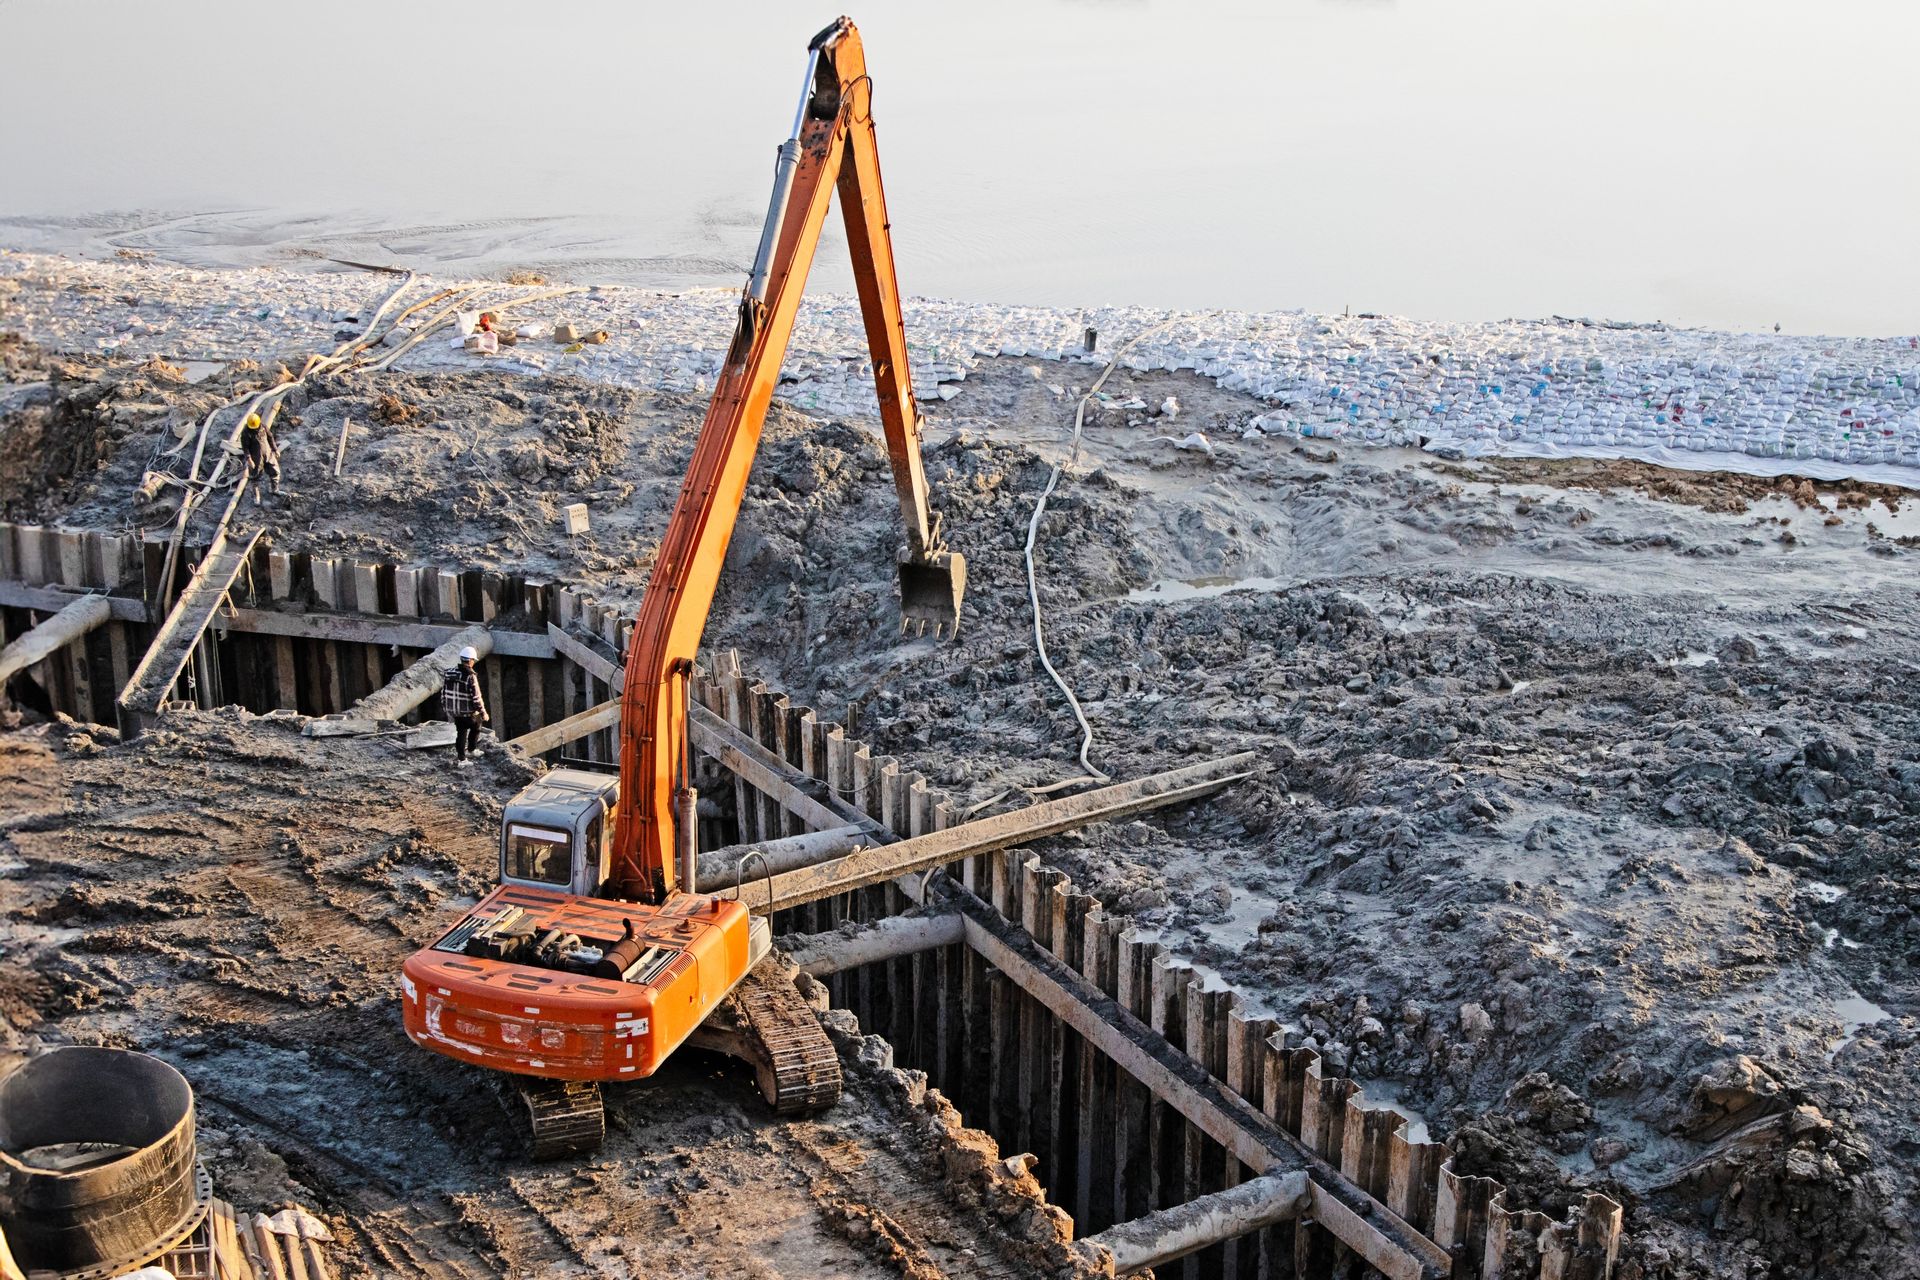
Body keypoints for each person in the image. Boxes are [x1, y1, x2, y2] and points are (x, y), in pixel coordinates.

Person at [441, 646, 489, 765]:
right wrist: (483, 712)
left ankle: (461, 759)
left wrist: (446, 707)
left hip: (455, 712)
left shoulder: (449, 673)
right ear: (471, 661)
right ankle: (471, 750)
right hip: (468, 712)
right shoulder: (470, 676)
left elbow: (443, 692)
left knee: (461, 733)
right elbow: (476, 697)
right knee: (476, 727)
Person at [240, 412, 281, 503]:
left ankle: (274, 489)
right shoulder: (246, 433)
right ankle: (256, 496)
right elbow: (245, 447)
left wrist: (275, 449)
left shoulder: (263, 427)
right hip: (256, 458)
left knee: (275, 471)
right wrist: (249, 459)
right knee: (255, 477)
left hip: (268, 454)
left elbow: (270, 438)